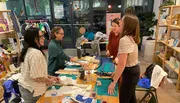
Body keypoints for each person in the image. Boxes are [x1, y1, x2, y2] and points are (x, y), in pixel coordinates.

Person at [18, 28, 60, 103]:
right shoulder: (35, 53)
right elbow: (35, 76)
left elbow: (38, 72)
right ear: (34, 39)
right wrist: (49, 80)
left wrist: (50, 77)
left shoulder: (30, 50)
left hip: (27, 88)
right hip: (32, 90)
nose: (43, 38)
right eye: (41, 36)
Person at [108, 14, 140, 103]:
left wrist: (114, 82)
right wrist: (116, 72)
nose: (120, 22)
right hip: (134, 71)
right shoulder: (131, 37)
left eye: (122, 21)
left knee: (123, 99)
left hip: (130, 73)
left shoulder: (125, 40)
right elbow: (126, 61)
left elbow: (122, 64)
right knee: (131, 98)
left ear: (127, 25)